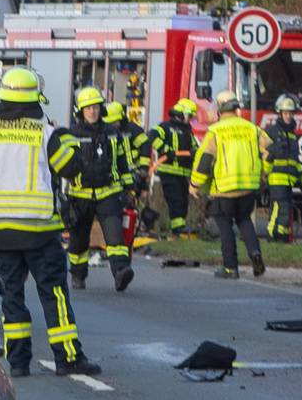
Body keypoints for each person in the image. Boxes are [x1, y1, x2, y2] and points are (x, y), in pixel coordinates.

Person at [0, 68, 100, 376]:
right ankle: (68, 358)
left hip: (1, 231)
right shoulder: (44, 133)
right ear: (34, 100)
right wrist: (67, 139)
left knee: (11, 297)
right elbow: (71, 168)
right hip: (39, 232)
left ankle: (18, 363)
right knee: (54, 294)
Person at [189, 90, 270, 279]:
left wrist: (194, 185)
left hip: (223, 189)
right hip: (248, 187)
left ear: (219, 109)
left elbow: (204, 161)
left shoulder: (215, 132)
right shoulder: (253, 129)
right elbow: (270, 151)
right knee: (244, 221)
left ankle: (230, 267)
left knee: (225, 227)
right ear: (236, 108)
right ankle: (255, 254)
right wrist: (263, 174)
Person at [66, 86, 135, 292]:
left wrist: (130, 188)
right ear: (80, 111)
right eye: (87, 108)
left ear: (101, 109)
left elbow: (123, 162)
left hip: (109, 192)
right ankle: (78, 276)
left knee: (115, 237)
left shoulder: (113, 133)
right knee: (78, 240)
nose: (92, 112)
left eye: (95, 107)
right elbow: (62, 165)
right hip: (80, 195)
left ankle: (121, 272)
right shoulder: (72, 134)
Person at [149, 97, 198, 237]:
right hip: (169, 171)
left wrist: (196, 152)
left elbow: (194, 146)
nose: (191, 120)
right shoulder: (166, 126)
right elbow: (152, 136)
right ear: (181, 114)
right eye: (190, 116)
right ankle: (177, 229)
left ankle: (179, 228)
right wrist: (165, 150)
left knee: (183, 200)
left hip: (183, 173)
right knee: (175, 200)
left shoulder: (188, 130)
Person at [265, 94, 302, 241]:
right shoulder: (273, 131)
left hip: (288, 180)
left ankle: (283, 237)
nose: (289, 116)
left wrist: (301, 176)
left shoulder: (292, 135)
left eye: (291, 113)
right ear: (280, 113)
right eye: (286, 113)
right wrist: (264, 177)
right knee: (279, 209)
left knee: (287, 210)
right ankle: (273, 235)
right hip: (276, 179)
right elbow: (265, 155)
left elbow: (294, 159)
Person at [103, 100, 150, 196]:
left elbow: (145, 147)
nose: (113, 125)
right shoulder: (107, 133)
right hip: (116, 174)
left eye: (115, 121)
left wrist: (144, 169)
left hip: (134, 173)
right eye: (111, 122)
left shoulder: (133, 130)